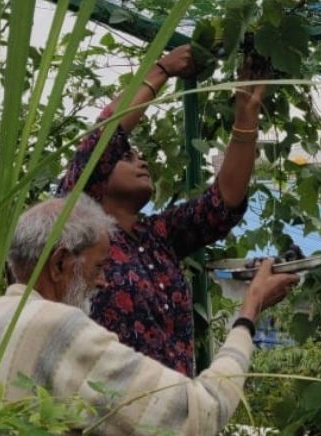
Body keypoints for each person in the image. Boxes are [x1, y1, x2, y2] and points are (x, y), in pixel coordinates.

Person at [0, 195, 298, 434]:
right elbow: (199, 414)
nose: (105, 280)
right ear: (61, 264)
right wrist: (248, 314)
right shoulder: (57, 328)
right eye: (100, 266)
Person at [56, 44, 265, 374]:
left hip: (169, 411)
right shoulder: (77, 226)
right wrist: (160, 70)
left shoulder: (158, 236)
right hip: (106, 413)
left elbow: (223, 203)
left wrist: (246, 117)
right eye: (127, 157)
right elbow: (101, 140)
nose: (141, 161)